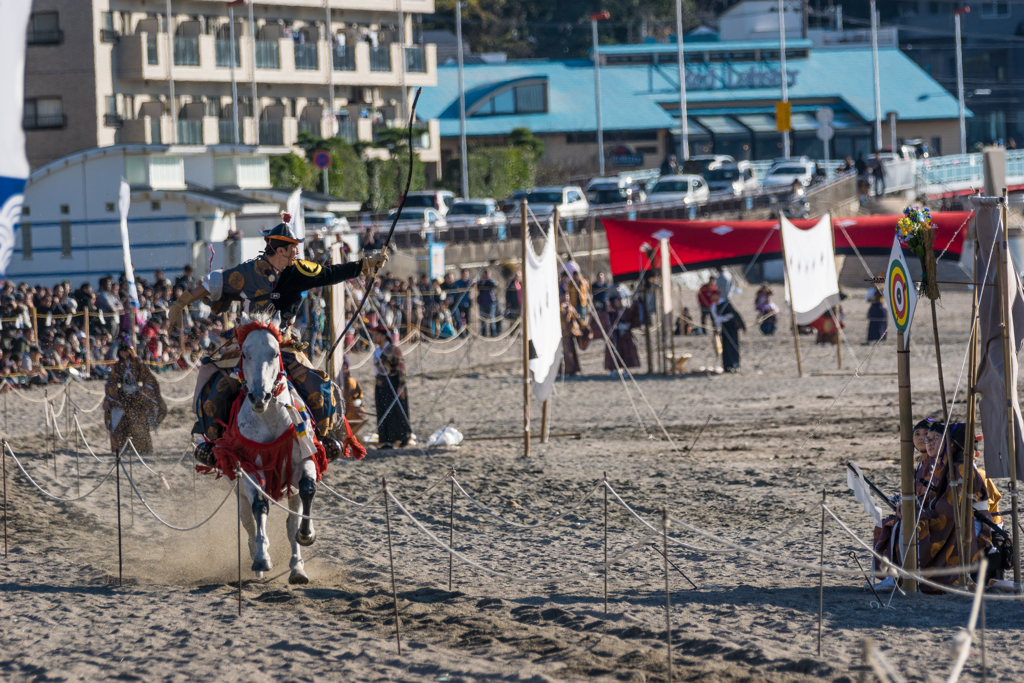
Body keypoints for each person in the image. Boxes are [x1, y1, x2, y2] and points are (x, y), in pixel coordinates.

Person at [167, 213, 386, 462]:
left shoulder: (300, 271)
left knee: (317, 384)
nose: (297, 252)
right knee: (219, 388)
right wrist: (178, 305)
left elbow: (330, 273)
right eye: (293, 248)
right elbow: (210, 286)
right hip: (247, 345)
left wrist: (365, 265)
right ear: (280, 250)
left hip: (284, 343)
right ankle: (212, 443)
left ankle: (324, 439)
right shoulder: (247, 273)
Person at [873, 421, 994, 590]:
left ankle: (915, 577)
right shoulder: (941, 466)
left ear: (951, 444)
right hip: (951, 517)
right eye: (927, 439)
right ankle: (896, 575)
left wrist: (919, 514)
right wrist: (909, 507)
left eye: (935, 439)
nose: (927, 442)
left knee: (916, 526)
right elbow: (930, 499)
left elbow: (950, 509)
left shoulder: (960, 469)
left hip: (966, 523)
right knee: (892, 523)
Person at [102, 341, 167, 455]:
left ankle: (142, 448)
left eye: (125, 351)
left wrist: (142, 392)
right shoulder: (118, 366)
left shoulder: (138, 363)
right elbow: (111, 382)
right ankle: (120, 447)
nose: (124, 354)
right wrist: (110, 397)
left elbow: (148, 378)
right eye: (121, 351)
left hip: (137, 396)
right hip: (122, 397)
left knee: (139, 419)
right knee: (118, 420)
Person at [371, 325, 412, 449]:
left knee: (396, 411)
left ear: (383, 336)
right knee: (383, 411)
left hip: (393, 384)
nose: (374, 337)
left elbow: (401, 367)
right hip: (381, 384)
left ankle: (403, 437)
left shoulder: (394, 349)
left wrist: (401, 385)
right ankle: (387, 440)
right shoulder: (377, 351)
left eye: (376, 334)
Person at [602, 292, 642, 374]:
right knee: (614, 352)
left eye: (620, 300)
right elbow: (608, 323)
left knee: (626, 352)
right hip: (616, 336)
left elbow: (631, 316)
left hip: (625, 335)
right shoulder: (612, 312)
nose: (619, 302)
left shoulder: (625, 311)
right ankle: (613, 369)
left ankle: (625, 369)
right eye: (618, 300)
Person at [710, 290, 745, 372]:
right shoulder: (714, 306)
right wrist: (715, 329)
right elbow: (715, 320)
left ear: (717, 295)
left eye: (713, 295)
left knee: (733, 345)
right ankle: (727, 366)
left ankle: (735, 364)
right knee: (725, 347)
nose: (712, 297)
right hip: (723, 327)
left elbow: (735, 314)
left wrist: (743, 326)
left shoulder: (725, 303)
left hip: (731, 326)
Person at [559, 292, 589, 376]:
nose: (566, 297)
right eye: (565, 296)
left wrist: (585, 328)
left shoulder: (570, 307)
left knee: (571, 352)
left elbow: (577, 318)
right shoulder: (558, 308)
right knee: (565, 353)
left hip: (570, 333)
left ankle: (572, 370)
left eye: (568, 296)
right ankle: (564, 371)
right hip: (562, 334)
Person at [476, 269, 500, 337]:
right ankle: (483, 333)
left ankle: (493, 333)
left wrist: (488, 279)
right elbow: (477, 287)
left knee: (491, 318)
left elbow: (495, 284)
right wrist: (482, 281)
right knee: (483, 319)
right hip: (482, 303)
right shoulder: (480, 282)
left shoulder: (491, 281)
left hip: (491, 303)